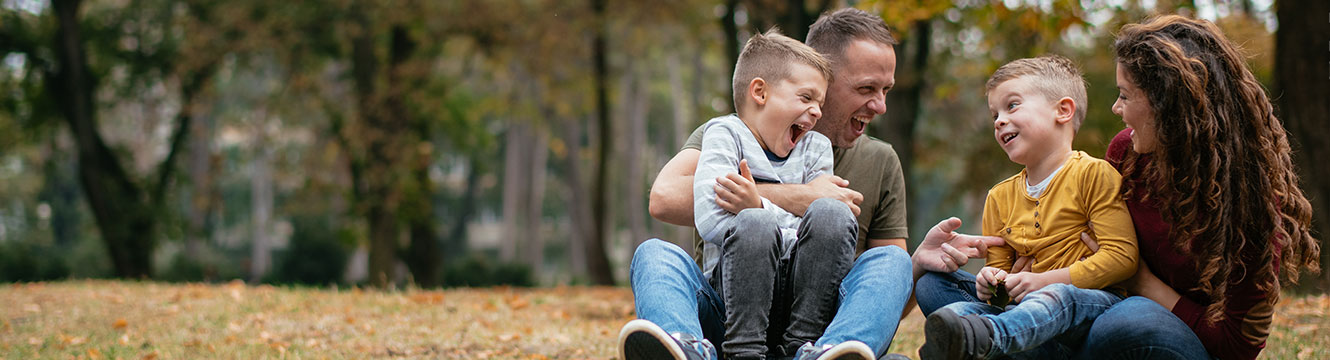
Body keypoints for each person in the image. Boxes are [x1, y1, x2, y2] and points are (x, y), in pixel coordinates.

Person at [621, 8, 1005, 360]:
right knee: (656, 254)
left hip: (817, 329)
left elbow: (879, 297)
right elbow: (663, 198)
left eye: (886, 90)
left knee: (891, 261)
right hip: (726, 319)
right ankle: (685, 347)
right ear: (823, 76)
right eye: (867, 88)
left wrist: (917, 265)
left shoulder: (880, 160)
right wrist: (794, 198)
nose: (880, 105)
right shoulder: (730, 133)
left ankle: (829, 353)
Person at [1070, 15, 1320, 360]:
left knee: (1126, 325)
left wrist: (1141, 282)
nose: (1116, 108)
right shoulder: (1127, 154)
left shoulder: (1249, 199)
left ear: (1167, 103)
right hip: (1108, 309)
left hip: (1181, 342)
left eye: (1125, 96)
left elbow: (1238, 345)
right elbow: (1087, 241)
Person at [915, 55, 1139, 360]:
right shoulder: (999, 197)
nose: (999, 120)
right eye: (995, 113)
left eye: (1012, 105)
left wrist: (1043, 282)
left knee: (1055, 297)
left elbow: (1122, 258)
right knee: (954, 306)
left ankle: (987, 339)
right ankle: (982, 339)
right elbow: (1001, 289)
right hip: (1024, 314)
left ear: (1062, 111)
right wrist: (990, 284)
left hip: (1089, 309)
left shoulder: (1094, 174)